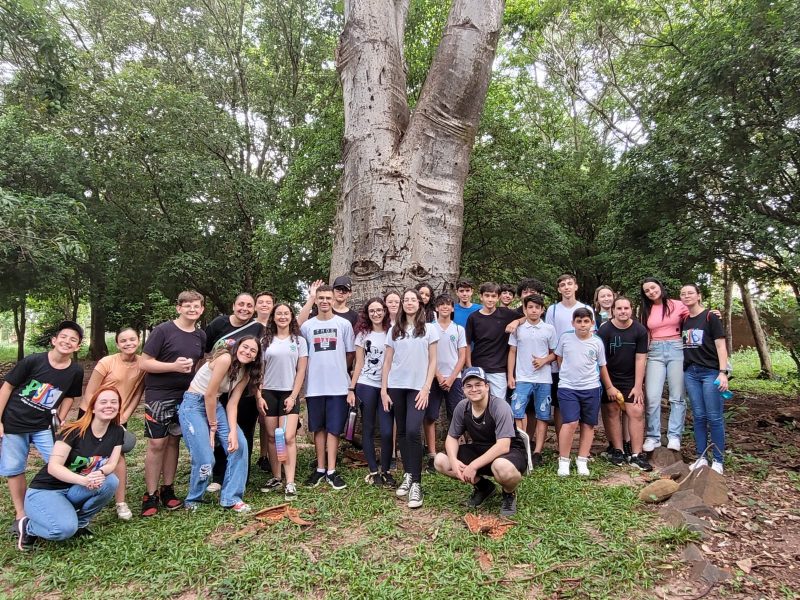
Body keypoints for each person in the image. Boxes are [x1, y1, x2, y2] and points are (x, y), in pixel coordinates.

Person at [16, 385, 124, 550]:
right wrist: (84, 480)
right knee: (62, 530)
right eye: (103, 402)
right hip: (46, 491)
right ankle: (28, 527)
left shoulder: (117, 432)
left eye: (113, 402)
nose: (109, 405)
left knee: (111, 481)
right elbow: (53, 467)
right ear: (93, 408)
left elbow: (112, 464)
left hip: (74, 489)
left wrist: (99, 473)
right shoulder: (73, 431)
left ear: (118, 407)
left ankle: (80, 524)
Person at [0, 321, 84, 522]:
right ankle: (21, 514)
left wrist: (61, 418)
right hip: (14, 423)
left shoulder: (76, 371)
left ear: (78, 346)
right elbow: (7, 388)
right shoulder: (33, 361)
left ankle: (61, 505)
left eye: (73, 339)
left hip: (43, 426)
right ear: (54, 340)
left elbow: (70, 396)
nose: (67, 341)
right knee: (15, 469)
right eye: (63, 337)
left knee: (59, 463)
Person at [139, 290, 206, 517]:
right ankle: (150, 494)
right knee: (157, 443)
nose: (192, 309)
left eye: (196, 306)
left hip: (186, 396)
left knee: (174, 441)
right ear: (178, 308)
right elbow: (144, 363)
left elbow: (199, 364)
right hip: (159, 395)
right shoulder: (163, 331)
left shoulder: (200, 335)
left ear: (202, 310)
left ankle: (168, 489)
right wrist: (173, 367)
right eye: (187, 305)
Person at [179, 336, 261, 513]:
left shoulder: (245, 373)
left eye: (252, 350)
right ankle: (194, 499)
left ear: (255, 357)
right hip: (194, 404)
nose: (247, 352)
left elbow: (232, 403)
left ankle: (231, 497)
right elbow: (209, 394)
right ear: (237, 347)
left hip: (215, 406)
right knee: (206, 458)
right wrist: (213, 427)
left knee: (239, 444)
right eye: (245, 347)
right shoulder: (224, 359)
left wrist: (232, 431)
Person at [433, 367, 525, 517]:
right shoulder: (462, 407)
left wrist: (473, 466)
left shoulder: (500, 407)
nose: (474, 389)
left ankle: (509, 493)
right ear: (463, 389)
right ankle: (483, 487)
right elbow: (451, 438)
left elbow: (503, 445)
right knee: (441, 461)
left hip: (509, 452)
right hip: (480, 449)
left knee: (502, 467)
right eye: (469, 386)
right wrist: (454, 461)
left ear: (487, 387)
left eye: (478, 384)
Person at [79, 327, 145, 521]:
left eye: (132, 339)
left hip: (118, 415)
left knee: (118, 454)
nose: (128, 343)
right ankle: (80, 495)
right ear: (117, 344)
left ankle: (120, 502)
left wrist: (124, 416)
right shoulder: (107, 362)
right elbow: (90, 392)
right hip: (92, 412)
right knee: (87, 455)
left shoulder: (143, 363)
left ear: (138, 340)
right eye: (123, 340)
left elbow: (138, 393)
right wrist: (97, 416)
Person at [381, 289, 438, 509]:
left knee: (414, 431)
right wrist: (384, 389)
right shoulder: (395, 329)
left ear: (420, 303)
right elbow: (387, 362)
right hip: (396, 386)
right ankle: (407, 473)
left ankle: (417, 483)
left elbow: (433, 361)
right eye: (406, 300)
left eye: (413, 299)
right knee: (402, 431)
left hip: (418, 388)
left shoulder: (430, 329)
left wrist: (426, 389)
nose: (409, 303)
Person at [204, 293, 262, 489]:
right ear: (233, 305)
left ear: (254, 309)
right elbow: (205, 352)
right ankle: (218, 476)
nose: (244, 308)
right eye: (241, 304)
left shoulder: (257, 328)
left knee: (244, 432)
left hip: (244, 388)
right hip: (219, 389)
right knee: (221, 432)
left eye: (249, 305)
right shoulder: (218, 324)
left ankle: (240, 476)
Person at [300, 285, 355, 490]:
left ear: (334, 300)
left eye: (328, 298)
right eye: (320, 297)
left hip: (338, 386)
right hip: (314, 386)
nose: (324, 301)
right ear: (316, 300)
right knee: (318, 428)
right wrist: (309, 298)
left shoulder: (344, 325)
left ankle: (332, 470)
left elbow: (350, 354)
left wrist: (339, 369)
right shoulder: (308, 326)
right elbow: (297, 337)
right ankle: (320, 468)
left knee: (333, 429)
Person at [555, 308, 620, 476]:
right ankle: (564, 460)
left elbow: (601, 365)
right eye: (579, 321)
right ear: (573, 323)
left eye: (586, 321)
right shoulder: (565, 338)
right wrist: (568, 374)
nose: (582, 325)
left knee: (588, 424)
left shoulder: (597, 342)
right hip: (568, 387)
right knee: (569, 422)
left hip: (591, 387)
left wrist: (609, 386)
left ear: (592, 323)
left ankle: (582, 460)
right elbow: (559, 358)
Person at [257, 304, 307, 500]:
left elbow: (301, 370)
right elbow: (259, 371)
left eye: (286, 313)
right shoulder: (265, 341)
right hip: (269, 392)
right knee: (271, 436)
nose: (283, 316)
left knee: (287, 437)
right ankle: (276, 477)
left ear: (291, 317)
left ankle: (290, 482)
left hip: (289, 393)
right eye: (279, 314)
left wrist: (294, 396)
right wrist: (259, 395)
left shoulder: (299, 341)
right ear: (273, 317)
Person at [596, 297, 652, 471]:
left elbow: (641, 358)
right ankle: (618, 450)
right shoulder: (605, 330)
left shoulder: (640, 330)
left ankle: (636, 454)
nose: (623, 311)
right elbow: (601, 361)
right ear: (613, 310)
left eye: (626, 308)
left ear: (631, 309)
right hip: (609, 377)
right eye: (619, 308)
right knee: (611, 410)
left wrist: (638, 386)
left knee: (636, 410)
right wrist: (609, 386)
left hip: (630, 379)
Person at [679, 284, 729, 474]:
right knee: (698, 417)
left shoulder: (710, 317)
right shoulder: (684, 319)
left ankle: (718, 460)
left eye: (690, 293)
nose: (686, 296)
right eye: (683, 294)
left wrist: (722, 372)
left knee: (714, 417)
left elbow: (720, 346)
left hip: (710, 372)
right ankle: (701, 457)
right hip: (691, 373)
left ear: (699, 296)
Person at [347, 298, 394, 487]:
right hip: (366, 384)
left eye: (379, 310)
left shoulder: (392, 332)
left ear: (384, 311)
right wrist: (352, 387)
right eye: (372, 311)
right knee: (367, 428)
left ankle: (387, 470)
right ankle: (374, 471)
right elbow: (358, 362)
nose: (376, 314)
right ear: (367, 313)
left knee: (386, 430)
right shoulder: (362, 335)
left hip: (386, 386)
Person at [639, 278, 689, 452]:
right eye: (647, 290)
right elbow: (645, 334)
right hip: (655, 351)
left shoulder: (677, 304)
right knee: (652, 397)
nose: (651, 292)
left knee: (677, 396)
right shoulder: (646, 310)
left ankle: (674, 435)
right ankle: (653, 436)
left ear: (660, 286)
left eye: (653, 287)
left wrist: (712, 314)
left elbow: (695, 318)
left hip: (676, 348)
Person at [507, 295, 557, 468]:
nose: (534, 310)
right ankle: (523, 447)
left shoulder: (549, 329)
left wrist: (544, 360)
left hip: (543, 379)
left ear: (542, 310)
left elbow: (555, 353)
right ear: (524, 309)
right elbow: (512, 352)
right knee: (517, 411)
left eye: (537, 307)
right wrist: (510, 375)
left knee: (542, 415)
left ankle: (538, 452)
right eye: (530, 307)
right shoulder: (518, 329)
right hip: (522, 377)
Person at [543, 274, 594, 435]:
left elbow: (591, 338)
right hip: (559, 365)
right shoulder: (553, 309)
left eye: (569, 284)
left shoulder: (586, 308)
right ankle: (561, 441)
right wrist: (557, 362)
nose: (566, 287)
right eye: (563, 285)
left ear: (575, 286)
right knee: (560, 404)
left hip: (582, 365)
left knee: (584, 405)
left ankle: (582, 446)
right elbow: (550, 337)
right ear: (559, 289)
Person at [424, 294, 467, 472]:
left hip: (454, 379)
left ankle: (458, 453)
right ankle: (432, 454)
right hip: (433, 378)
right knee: (430, 416)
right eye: (441, 305)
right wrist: (439, 376)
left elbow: (462, 355)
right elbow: (426, 354)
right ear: (436, 308)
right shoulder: (429, 328)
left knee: (457, 415)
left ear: (452, 308)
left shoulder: (458, 330)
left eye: (448, 305)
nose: (444, 308)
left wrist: (450, 378)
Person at [464, 283, 518, 399]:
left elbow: (526, 317)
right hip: (478, 368)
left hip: (498, 370)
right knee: (478, 403)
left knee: (498, 405)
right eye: (487, 296)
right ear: (481, 296)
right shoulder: (473, 318)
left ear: (498, 297)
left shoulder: (506, 314)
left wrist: (516, 322)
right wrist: (469, 366)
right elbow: (467, 344)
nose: (490, 299)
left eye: (493, 296)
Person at [254, 291, 276, 474]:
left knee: (265, 421)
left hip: (268, 380)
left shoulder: (276, 326)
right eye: (260, 302)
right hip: (248, 378)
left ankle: (265, 456)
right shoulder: (249, 326)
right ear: (255, 306)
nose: (264, 305)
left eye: (268, 302)